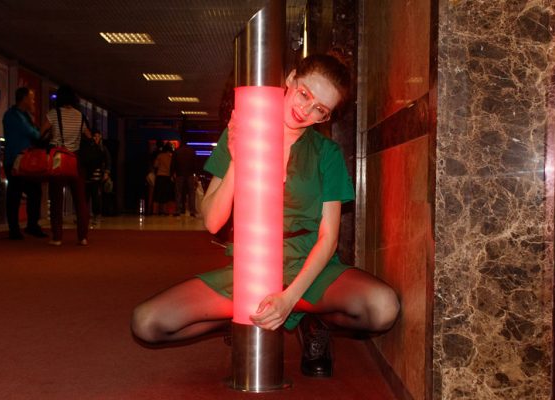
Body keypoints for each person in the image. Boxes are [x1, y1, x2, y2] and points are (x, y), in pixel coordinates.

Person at [131, 54, 400, 378]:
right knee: (147, 322)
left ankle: (310, 316)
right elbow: (213, 221)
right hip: (252, 266)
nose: (306, 110)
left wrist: (290, 298)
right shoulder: (242, 130)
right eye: (304, 94)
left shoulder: (325, 152)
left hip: (308, 266)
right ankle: (239, 319)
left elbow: (328, 238)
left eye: (320, 109)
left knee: (382, 308)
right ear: (290, 78)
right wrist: (238, 157)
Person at [40, 85, 92, 246]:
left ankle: (57, 237)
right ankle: (82, 237)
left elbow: (41, 132)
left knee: (56, 199)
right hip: (75, 160)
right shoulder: (80, 116)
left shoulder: (53, 114)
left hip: (58, 159)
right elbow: (88, 136)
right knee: (80, 200)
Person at [2, 87, 48, 240]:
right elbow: (33, 133)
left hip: (23, 161)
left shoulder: (21, 115)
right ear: (24, 99)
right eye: (32, 98)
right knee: (16, 194)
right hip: (16, 161)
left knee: (32, 191)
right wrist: (44, 129)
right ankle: (16, 228)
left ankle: (29, 225)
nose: (33, 101)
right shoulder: (14, 116)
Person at [81, 130, 111, 225]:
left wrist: (106, 173)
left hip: (97, 177)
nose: (96, 138)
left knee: (96, 197)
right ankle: (83, 216)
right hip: (87, 176)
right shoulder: (88, 148)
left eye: (98, 136)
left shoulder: (102, 148)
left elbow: (108, 161)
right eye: (95, 136)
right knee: (85, 197)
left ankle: (96, 215)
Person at [170, 139, 197, 217]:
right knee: (191, 193)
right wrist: (196, 174)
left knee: (178, 192)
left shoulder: (177, 151)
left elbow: (173, 164)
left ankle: (178, 210)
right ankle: (192, 211)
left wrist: (172, 173)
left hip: (180, 174)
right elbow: (195, 163)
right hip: (190, 174)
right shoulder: (192, 151)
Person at [153, 142, 174, 216]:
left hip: (159, 176)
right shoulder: (171, 157)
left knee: (157, 194)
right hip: (167, 177)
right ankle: (164, 211)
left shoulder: (160, 156)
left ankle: (155, 211)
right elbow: (172, 167)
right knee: (165, 195)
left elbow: (155, 165)